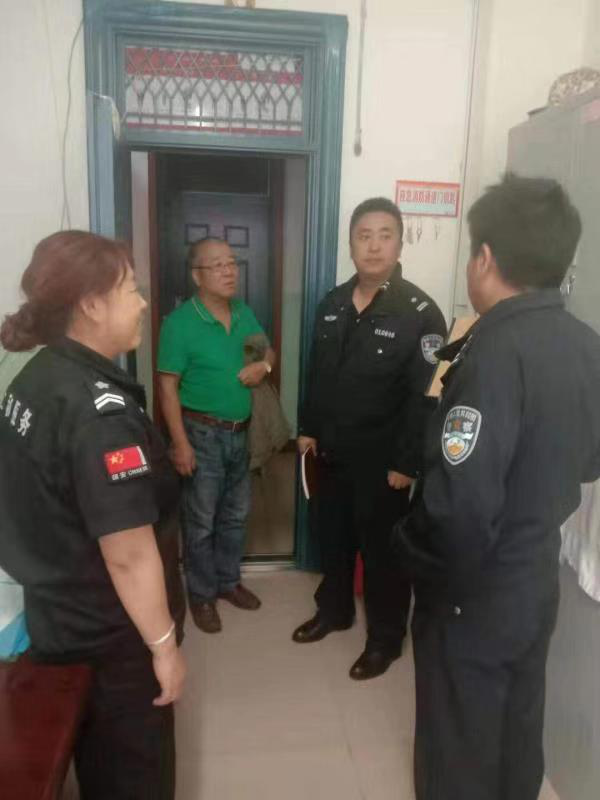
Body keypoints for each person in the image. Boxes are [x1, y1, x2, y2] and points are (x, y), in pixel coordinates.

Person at [393, 173, 600, 800]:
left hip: (472, 590)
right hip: (535, 578)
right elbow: (590, 463)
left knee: (457, 743)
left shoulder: (492, 352)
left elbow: (460, 508)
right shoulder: (586, 345)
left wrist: (411, 551)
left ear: (485, 258)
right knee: (516, 727)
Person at [0, 231, 187, 800]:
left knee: (96, 760)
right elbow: (127, 554)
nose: (143, 303)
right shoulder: (99, 414)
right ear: (91, 304)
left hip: (56, 613)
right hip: (110, 634)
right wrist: (164, 647)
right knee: (132, 775)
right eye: (131, 289)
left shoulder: (34, 375)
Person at [294, 197, 447, 680]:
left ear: (399, 244)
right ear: (350, 244)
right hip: (330, 452)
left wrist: (408, 463)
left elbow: (426, 396)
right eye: (364, 236)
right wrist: (307, 428)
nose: (374, 246)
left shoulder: (421, 312)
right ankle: (335, 611)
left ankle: (385, 640)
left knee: (383, 556)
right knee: (332, 540)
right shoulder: (333, 303)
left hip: (384, 464)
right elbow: (317, 373)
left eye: (385, 235)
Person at [158, 237, 275, 634]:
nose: (228, 271)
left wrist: (264, 368)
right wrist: (180, 444)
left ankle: (228, 582)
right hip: (201, 434)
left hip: (241, 434)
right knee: (201, 521)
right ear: (197, 275)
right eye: (217, 265)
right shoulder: (179, 324)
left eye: (231, 263)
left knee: (235, 516)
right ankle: (202, 594)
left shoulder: (243, 312)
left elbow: (268, 352)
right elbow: (167, 388)